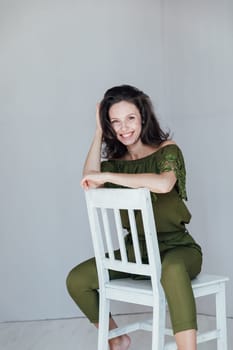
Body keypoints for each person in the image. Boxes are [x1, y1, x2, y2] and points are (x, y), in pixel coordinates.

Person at [66, 85, 202, 350]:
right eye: (114, 121)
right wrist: (97, 133)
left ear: (142, 116)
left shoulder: (167, 151)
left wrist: (108, 177)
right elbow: (89, 180)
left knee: (172, 271)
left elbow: (163, 184)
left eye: (129, 118)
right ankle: (117, 339)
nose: (123, 127)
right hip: (137, 252)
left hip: (179, 249)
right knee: (77, 280)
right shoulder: (115, 162)